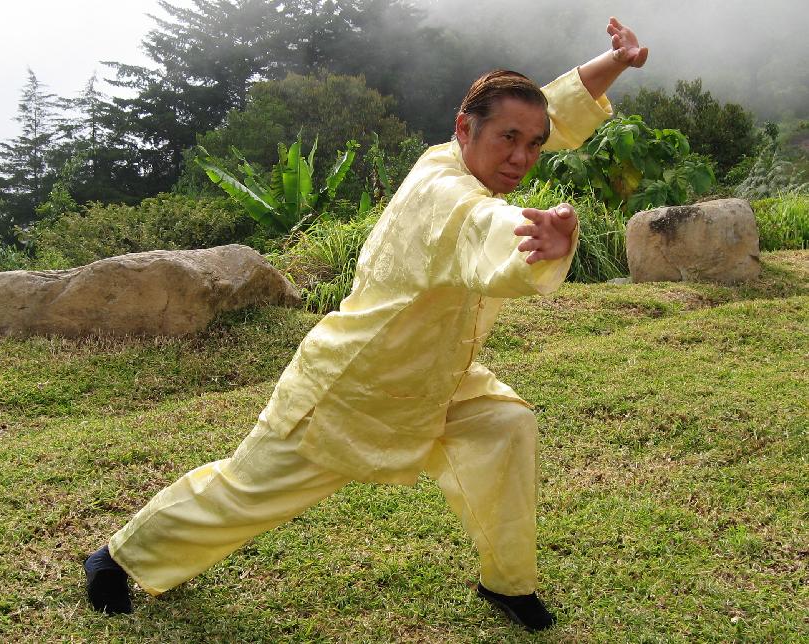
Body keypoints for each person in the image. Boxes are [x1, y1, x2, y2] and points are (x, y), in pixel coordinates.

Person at [84, 17, 648, 632]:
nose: (522, 157)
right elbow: (483, 229)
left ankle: (507, 583)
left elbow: (549, 113)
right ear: (465, 128)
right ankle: (117, 557)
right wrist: (538, 242)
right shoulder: (445, 193)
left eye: (533, 144)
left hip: (436, 374)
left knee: (505, 426)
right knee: (245, 491)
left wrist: (613, 62)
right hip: (351, 385)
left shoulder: (460, 156)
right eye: (508, 139)